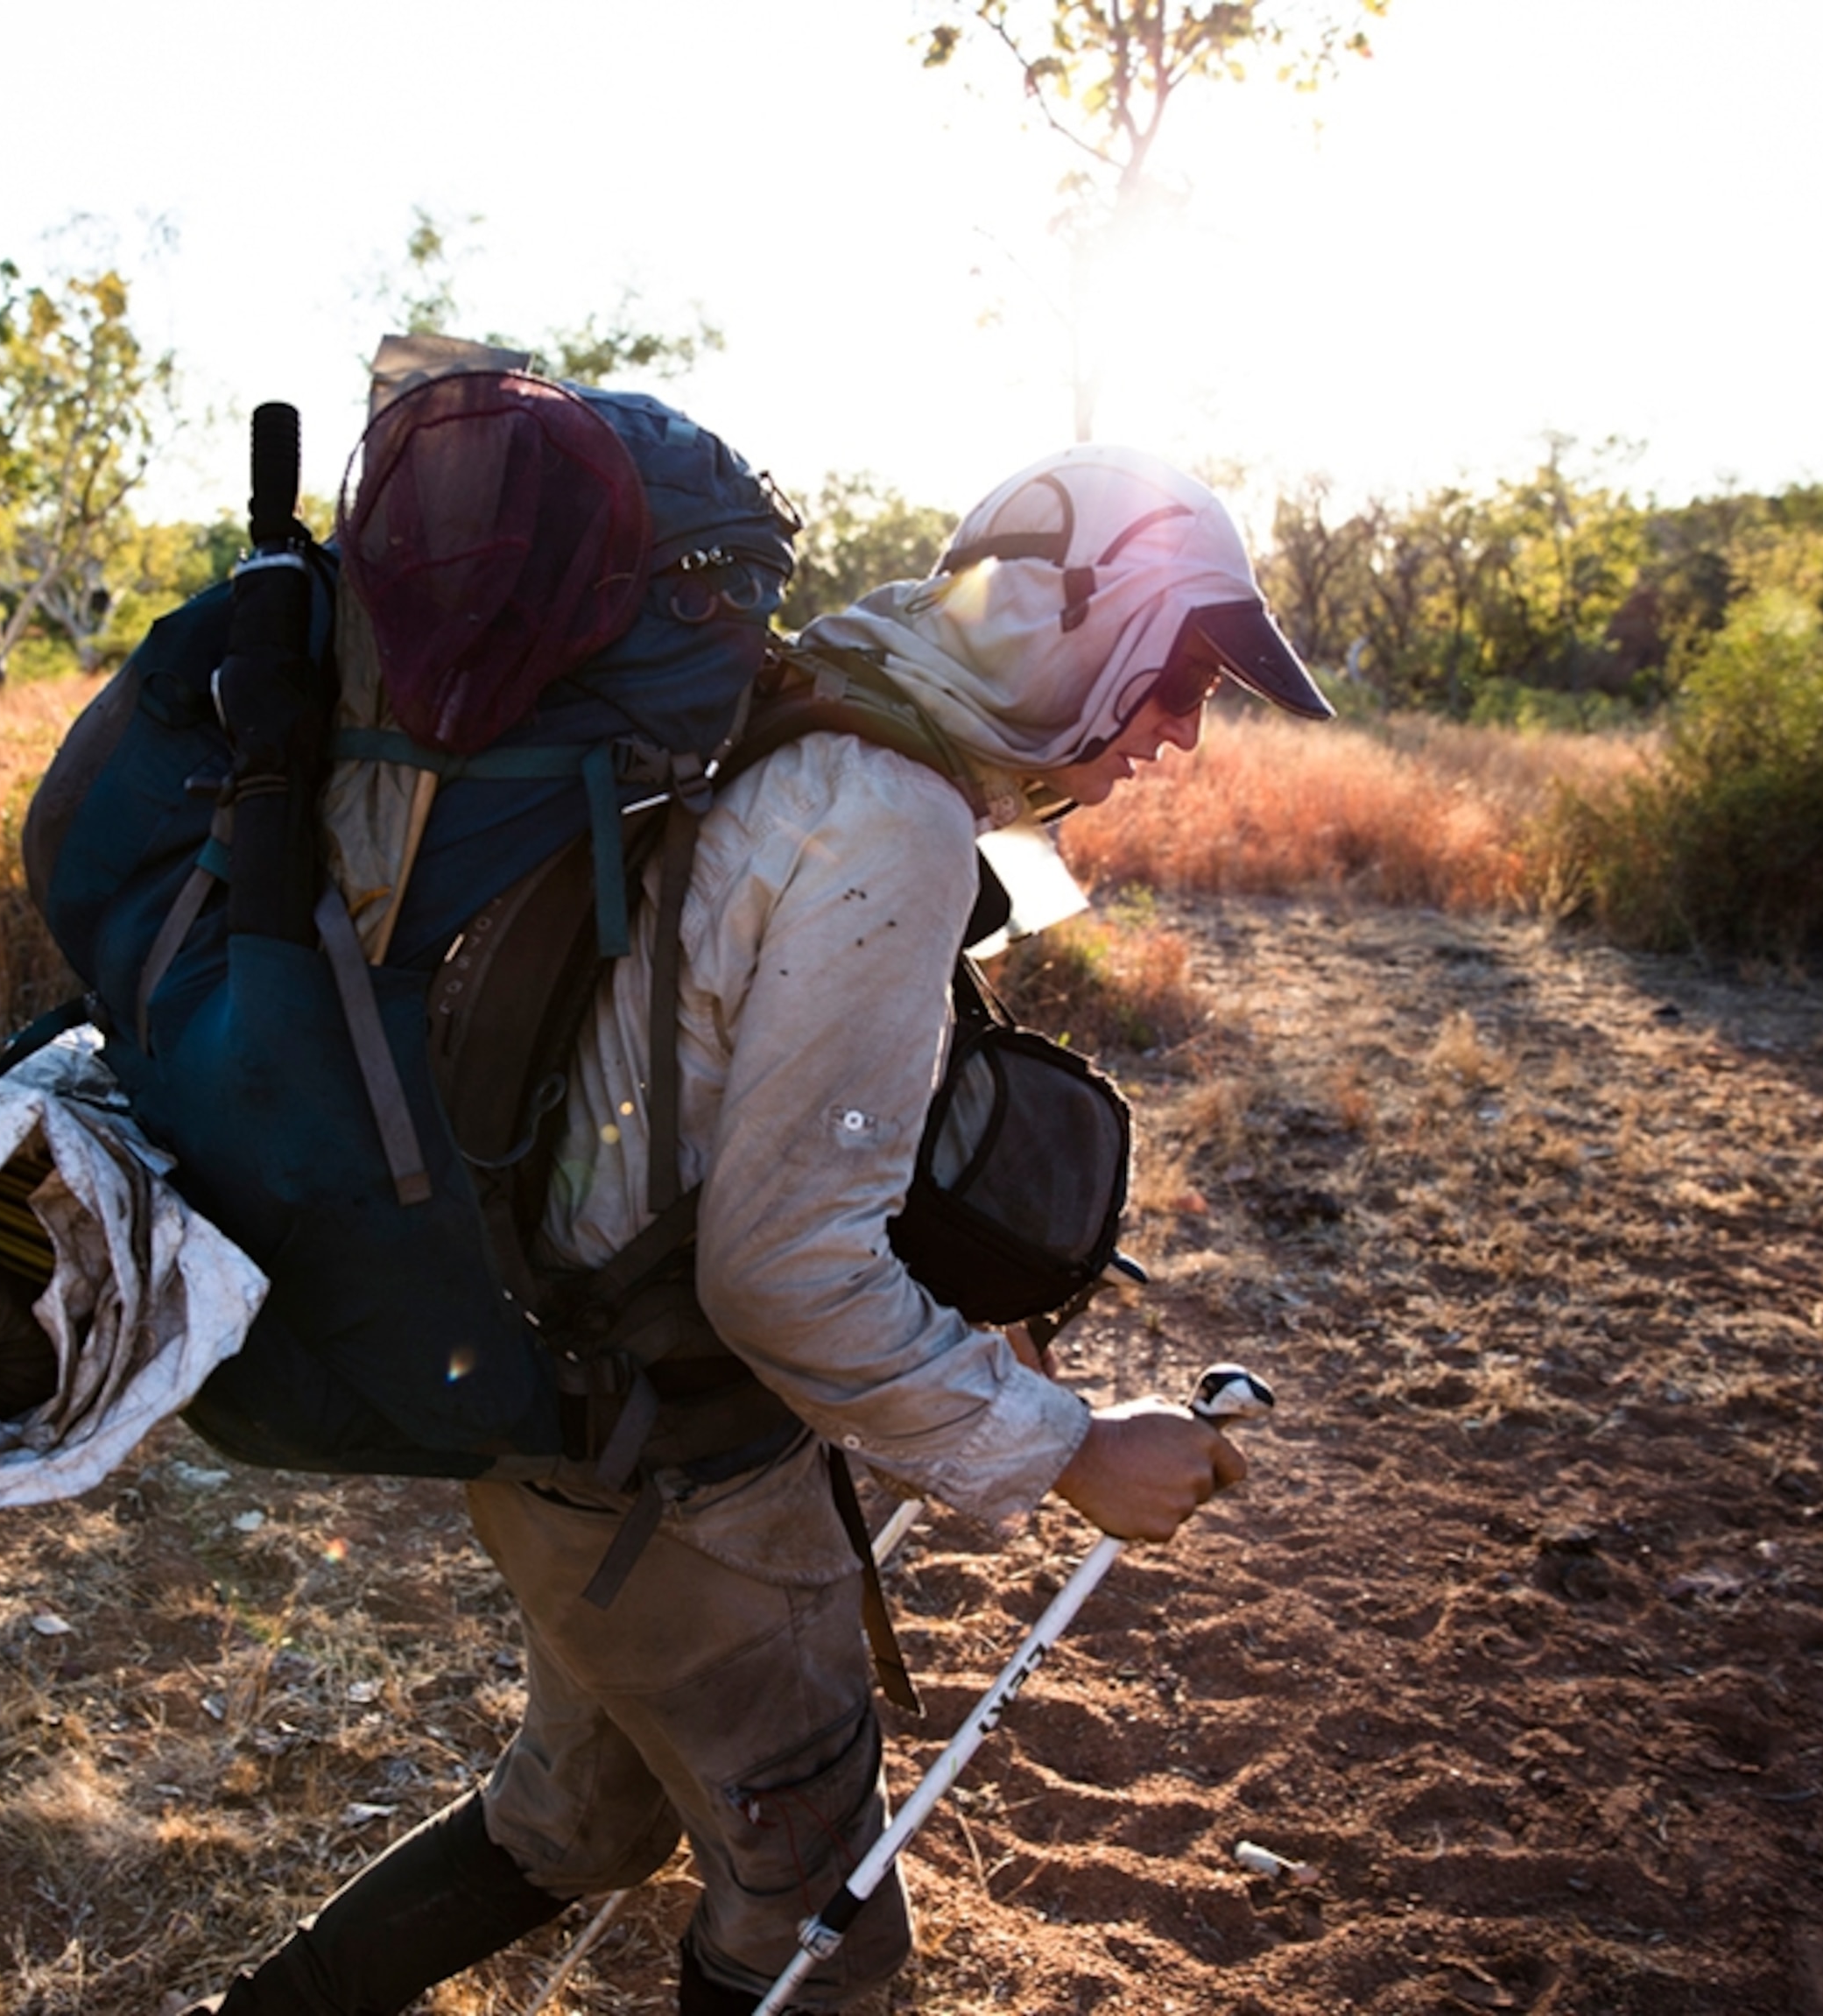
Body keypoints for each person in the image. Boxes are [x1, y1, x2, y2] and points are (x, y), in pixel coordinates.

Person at [184, 445, 1334, 2015]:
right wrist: (1073, 1446)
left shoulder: (810, 712)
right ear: (1083, 624)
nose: (1182, 733)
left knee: (577, 1817)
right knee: (827, 1943)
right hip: (681, 1479)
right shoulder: (892, 814)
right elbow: (787, 1274)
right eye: (1181, 672)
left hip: (554, 1418)